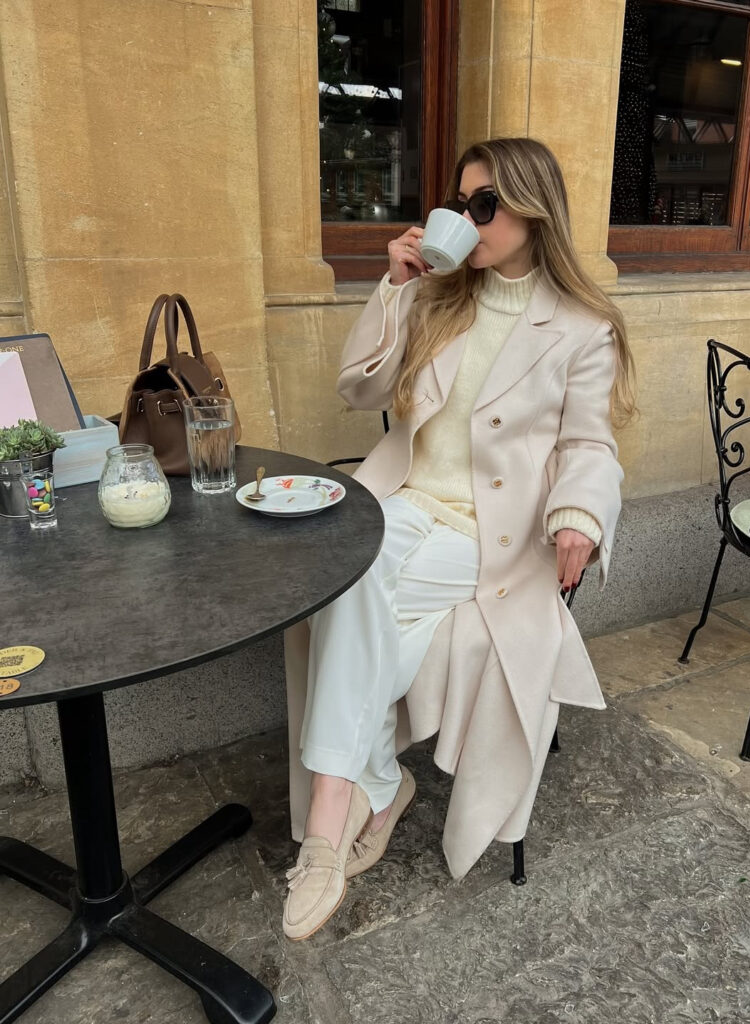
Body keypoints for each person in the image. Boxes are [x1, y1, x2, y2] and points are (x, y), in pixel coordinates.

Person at [282, 137, 636, 941]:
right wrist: (395, 287)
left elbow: (589, 444)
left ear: (532, 210)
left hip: (490, 536)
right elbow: (356, 388)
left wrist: (580, 512)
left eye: (485, 205)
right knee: (348, 575)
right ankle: (371, 784)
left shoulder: (582, 327)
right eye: (461, 202)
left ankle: (329, 822)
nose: (466, 219)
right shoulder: (437, 296)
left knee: (353, 581)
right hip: (404, 501)